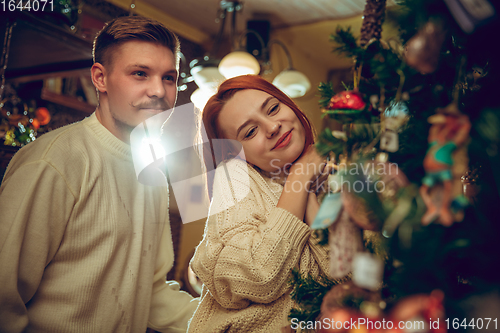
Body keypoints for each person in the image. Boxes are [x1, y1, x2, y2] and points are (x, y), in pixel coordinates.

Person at [0, 16, 198, 332]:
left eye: (169, 78)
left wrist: (237, 325)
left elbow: (152, 293)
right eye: (140, 74)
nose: (159, 91)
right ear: (100, 78)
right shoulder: (52, 162)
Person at [187, 75, 331, 332]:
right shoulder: (234, 175)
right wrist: (301, 175)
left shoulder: (336, 177)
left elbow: (357, 281)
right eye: (250, 131)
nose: (273, 127)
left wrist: (305, 186)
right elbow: (259, 274)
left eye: (273, 108)